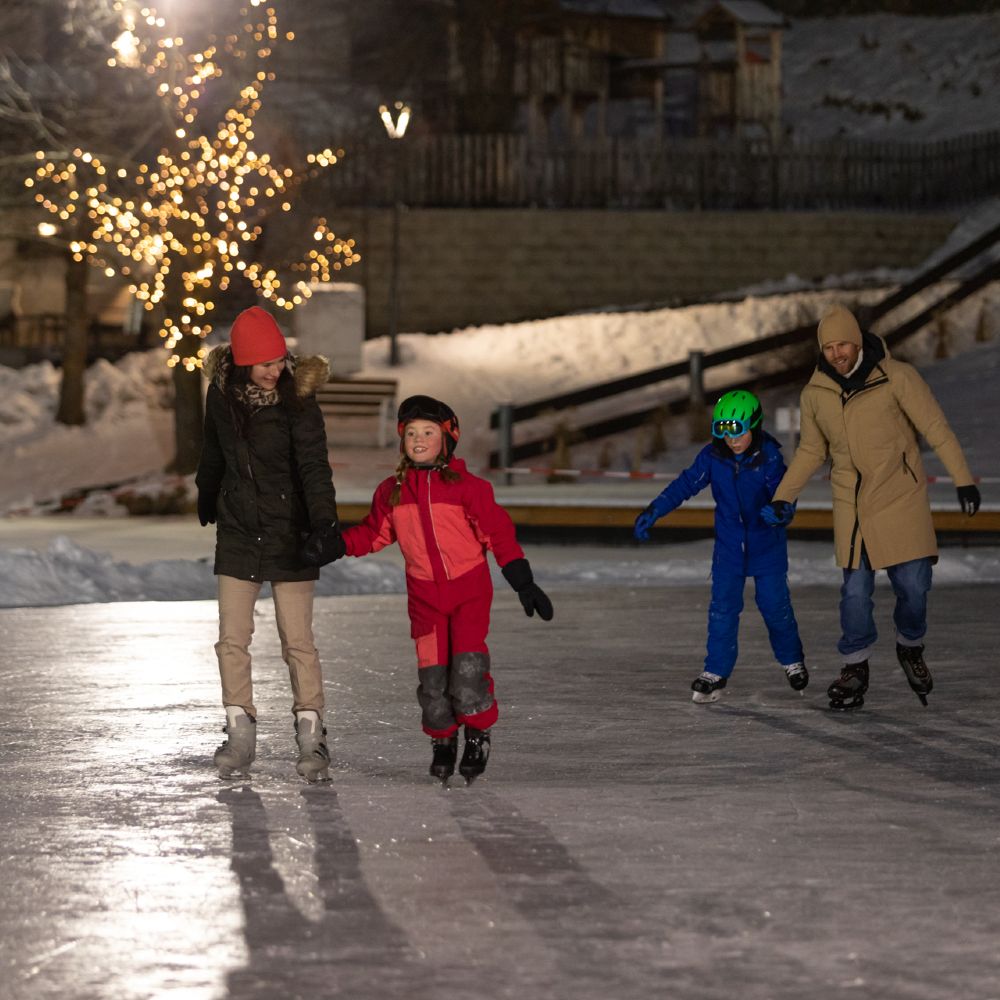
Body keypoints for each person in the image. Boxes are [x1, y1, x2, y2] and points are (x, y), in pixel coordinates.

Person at [302, 394, 553, 783]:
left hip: (469, 592)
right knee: (433, 680)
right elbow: (373, 534)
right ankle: (443, 741)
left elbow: (498, 536)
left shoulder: (470, 489)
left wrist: (522, 579)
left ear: (447, 439)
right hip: (425, 599)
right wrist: (334, 545)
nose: (418, 440)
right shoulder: (392, 491)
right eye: (411, 433)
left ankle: (477, 734)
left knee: (467, 674)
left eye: (429, 432)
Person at [762, 304, 981, 710]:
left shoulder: (898, 378)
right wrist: (782, 496)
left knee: (914, 588)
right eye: (828, 347)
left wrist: (963, 480)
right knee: (855, 594)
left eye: (843, 343)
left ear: (857, 341)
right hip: (853, 502)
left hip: (901, 495)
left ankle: (910, 645)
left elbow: (936, 429)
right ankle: (855, 666)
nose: (837, 353)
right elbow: (811, 450)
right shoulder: (815, 394)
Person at [195, 305, 342, 780]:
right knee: (231, 641)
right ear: (241, 363)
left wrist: (324, 523)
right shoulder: (221, 397)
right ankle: (240, 735)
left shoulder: (298, 398)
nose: (275, 371)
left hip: (290, 532)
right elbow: (213, 449)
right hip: (238, 530)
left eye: (279, 360)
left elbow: (314, 466)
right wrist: (206, 488)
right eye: (265, 364)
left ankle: (311, 737)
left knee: (297, 642)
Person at [634, 389, 807, 703]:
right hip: (728, 549)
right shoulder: (713, 457)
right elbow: (685, 484)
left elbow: (785, 495)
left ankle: (792, 661)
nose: (731, 440)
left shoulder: (769, 457)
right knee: (722, 611)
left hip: (766, 548)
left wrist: (781, 512)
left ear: (753, 426)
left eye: (737, 431)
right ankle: (715, 672)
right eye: (723, 431)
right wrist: (655, 509)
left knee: (775, 608)